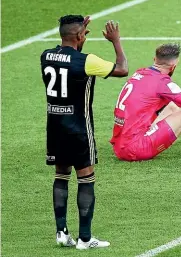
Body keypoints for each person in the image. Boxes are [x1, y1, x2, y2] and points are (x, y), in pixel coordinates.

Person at [41, 15, 128, 249]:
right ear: (80, 36)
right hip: (79, 127)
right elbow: (122, 69)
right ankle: (85, 239)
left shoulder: (46, 56)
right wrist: (115, 41)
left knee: (61, 176)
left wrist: (79, 35)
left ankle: (61, 232)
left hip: (55, 126)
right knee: (85, 178)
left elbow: (69, 55)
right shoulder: (87, 61)